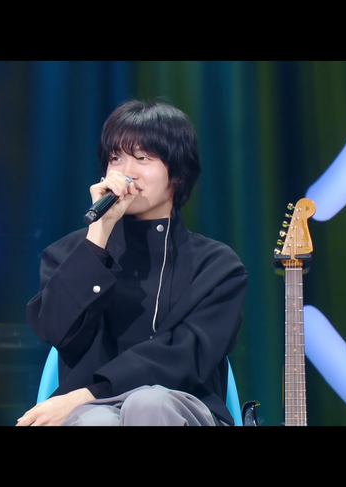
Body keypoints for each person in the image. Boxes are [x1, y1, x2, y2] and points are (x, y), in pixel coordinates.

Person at [17, 99, 248, 426]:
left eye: (142, 158)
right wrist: (98, 233)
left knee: (148, 403)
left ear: (178, 175)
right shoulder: (68, 253)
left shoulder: (217, 266)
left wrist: (92, 392)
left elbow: (186, 356)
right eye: (116, 158)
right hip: (89, 411)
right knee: (98, 422)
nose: (126, 171)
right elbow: (54, 330)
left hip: (180, 407)